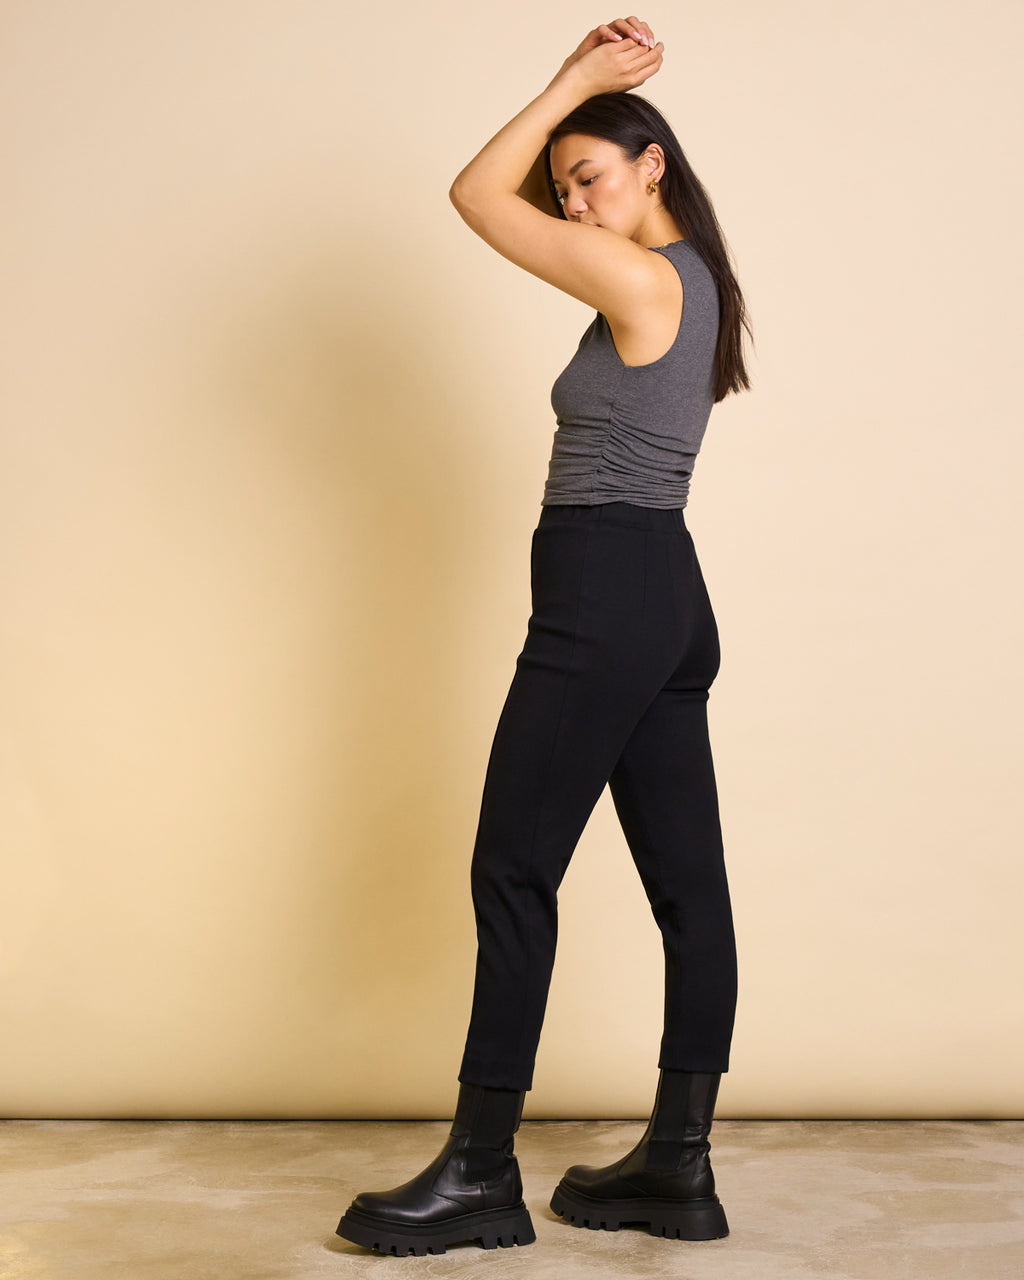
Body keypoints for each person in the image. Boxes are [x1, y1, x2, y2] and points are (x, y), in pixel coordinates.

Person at [336, 14, 753, 1257]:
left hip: (607, 591)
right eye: (564, 185)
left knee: (511, 868)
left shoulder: (639, 275)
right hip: (665, 594)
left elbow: (475, 192)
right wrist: (578, 119)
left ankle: (478, 1172)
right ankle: (676, 1166)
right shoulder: (693, 282)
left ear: (653, 165)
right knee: (691, 889)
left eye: (592, 175)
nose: (570, 201)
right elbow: (515, 190)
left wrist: (571, 80)